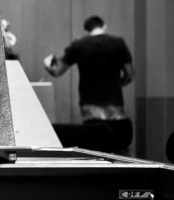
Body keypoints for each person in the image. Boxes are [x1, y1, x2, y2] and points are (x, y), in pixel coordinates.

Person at [44, 15, 135, 152]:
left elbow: (57, 71)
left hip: (90, 110)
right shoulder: (118, 43)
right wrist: (118, 84)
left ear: (86, 31)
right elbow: (130, 75)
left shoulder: (79, 45)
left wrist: (47, 64)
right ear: (104, 26)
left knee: (95, 147)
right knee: (118, 149)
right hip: (115, 109)